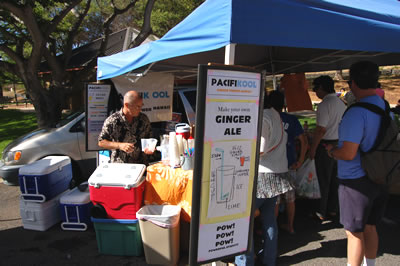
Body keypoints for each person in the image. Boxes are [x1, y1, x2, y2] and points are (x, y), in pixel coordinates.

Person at [325, 61, 389, 266]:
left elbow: (348, 153)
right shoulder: (383, 106)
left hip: (355, 180)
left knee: (354, 232)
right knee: (370, 227)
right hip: (380, 175)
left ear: (352, 83)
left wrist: (332, 151)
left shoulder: (356, 112)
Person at [235, 94, 293, 266]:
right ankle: (269, 258)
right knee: (269, 220)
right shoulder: (277, 116)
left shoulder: (264, 116)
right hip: (276, 174)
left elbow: (261, 147)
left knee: (244, 220)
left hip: (261, 175)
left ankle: (246, 261)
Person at [269, 90, 308, 234]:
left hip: (273, 166)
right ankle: (290, 226)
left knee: (275, 201)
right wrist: (301, 160)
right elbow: (303, 141)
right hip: (290, 163)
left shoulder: (267, 119)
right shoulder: (291, 120)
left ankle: (272, 230)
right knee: (290, 198)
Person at [309, 75, 346, 221]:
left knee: (323, 179)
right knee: (335, 179)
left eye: (315, 88)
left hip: (326, 146)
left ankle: (320, 211)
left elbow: (321, 130)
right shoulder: (340, 102)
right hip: (339, 144)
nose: (315, 92)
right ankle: (332, 209)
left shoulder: (325, 104)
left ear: (321, 88)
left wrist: (313, 148)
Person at [98, 90, 154, 164]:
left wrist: (151, 148)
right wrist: (120, 145)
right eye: (137, 106)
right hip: (121, 166)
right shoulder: (113, 120)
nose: (140, 109)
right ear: (127, 105)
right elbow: (101, 142)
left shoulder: (143, 119)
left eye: (141, 106)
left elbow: (150, 138)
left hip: (141, 165)